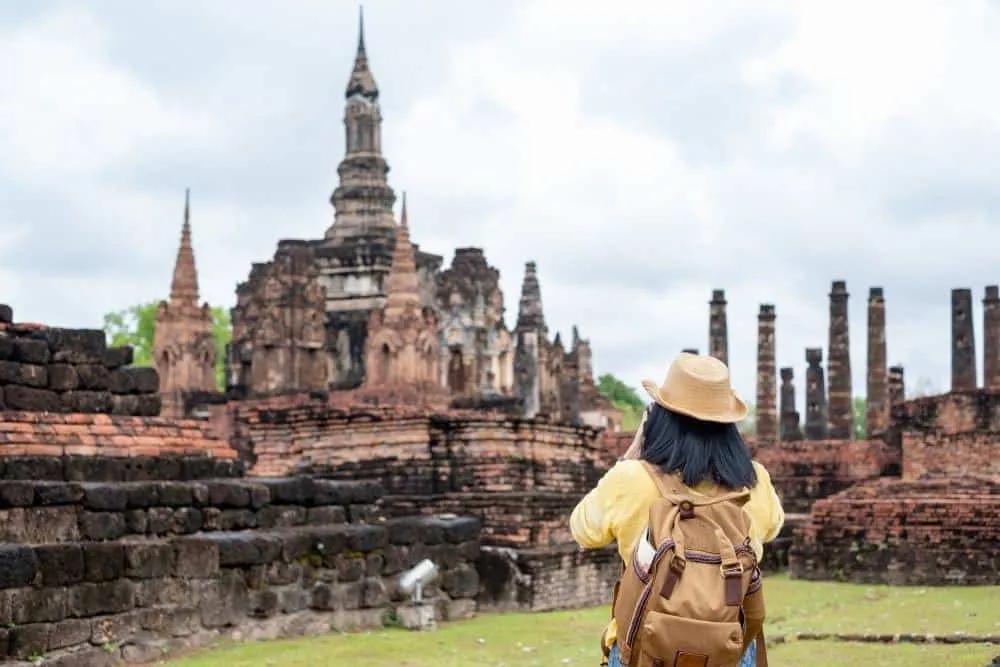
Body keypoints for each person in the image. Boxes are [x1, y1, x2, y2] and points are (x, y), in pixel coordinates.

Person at [570, 353, 784, 667]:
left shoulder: (631, 478)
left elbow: (582, 530)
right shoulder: (752, 480)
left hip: (643, 649)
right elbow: (773, 526)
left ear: (659, 418)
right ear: (729, 428)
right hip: (730, 650)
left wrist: (631, 453)